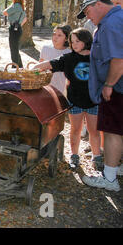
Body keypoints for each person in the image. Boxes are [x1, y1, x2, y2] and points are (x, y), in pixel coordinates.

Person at [32, 28, 102, 171]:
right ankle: (74, 156)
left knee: (93, 130)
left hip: (93, 100)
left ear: (86, 40)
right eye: (72, 41)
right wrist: (34, 68)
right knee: (75, 129)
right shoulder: (68, 58)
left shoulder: (96, 57)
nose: (74, 44)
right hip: (74, 100)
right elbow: (50, 64)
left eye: (78, 41)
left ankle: (97, 156)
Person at [76, 0, 123, 192]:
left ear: (98, 5)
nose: (88, 17)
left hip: (118, 87)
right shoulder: (117, 19)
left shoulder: (111, 24)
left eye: (88, 11)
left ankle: (110, 178)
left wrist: (109, 84)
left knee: (112, 131)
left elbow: (119, 60)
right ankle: (117, 167)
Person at [39, 24, 72, 94]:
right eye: (54, 34)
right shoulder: (45, 48)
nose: (55, 37)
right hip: (46, 89)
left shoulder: (70, 53)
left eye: (59, 35)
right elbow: (40, 68)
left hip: (62, 90)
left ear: (66, 38)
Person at [3, 0, 27, 68]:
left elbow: (5, 12)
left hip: (14, 28)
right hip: (18, 28)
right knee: (15, 49)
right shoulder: (22, 6)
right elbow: (25, 19)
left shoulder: (16, 6)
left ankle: (14, 67)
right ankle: (19, 67)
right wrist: (19, 24)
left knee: (13, 49)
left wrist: (11, 5)